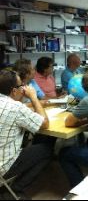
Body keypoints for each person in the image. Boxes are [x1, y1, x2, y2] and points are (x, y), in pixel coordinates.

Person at [0, 70, 52, 198]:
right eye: (20, 85)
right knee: (46, 150)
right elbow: (44, 124)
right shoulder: (16, 107)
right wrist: (34, 97)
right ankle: (15, 189)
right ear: (13, 91)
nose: (23, 88)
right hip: (3, 165)